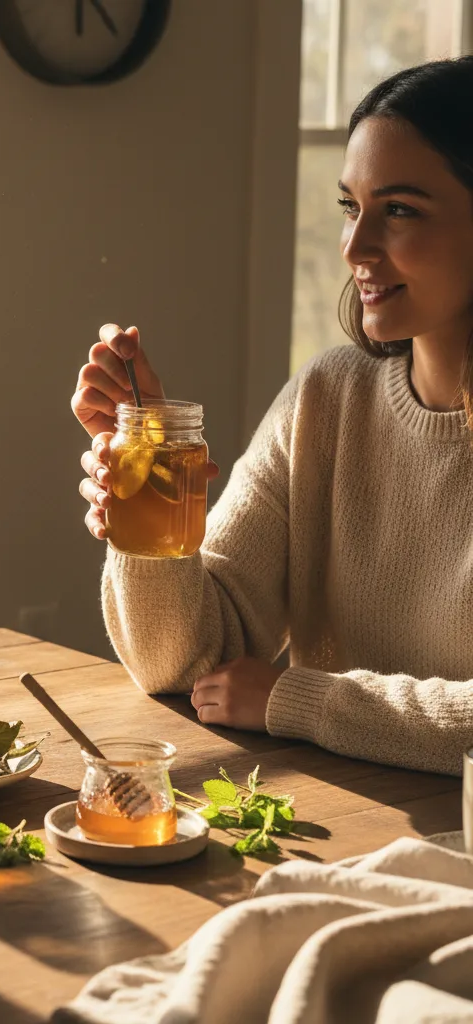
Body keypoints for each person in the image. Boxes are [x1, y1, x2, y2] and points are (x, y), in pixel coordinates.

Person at [72, 56, 473, 777]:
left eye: (401, 209)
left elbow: (267, 693)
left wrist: (303, 700)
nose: (355, 248)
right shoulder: (327, 398)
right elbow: (187, 664)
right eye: (352, 207)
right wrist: (150, 472)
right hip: (341, 824)